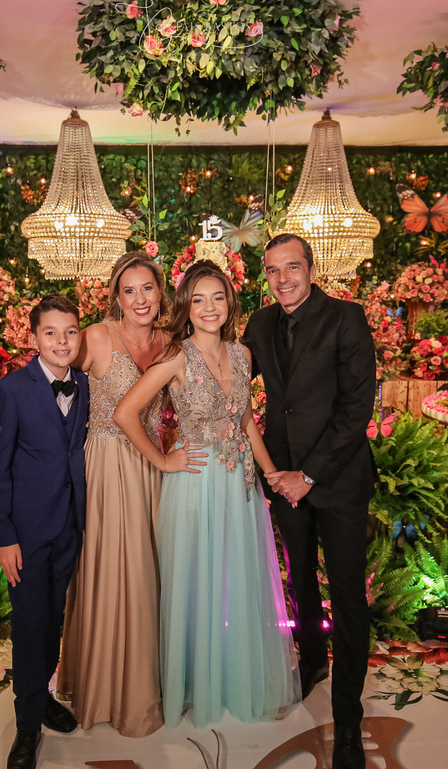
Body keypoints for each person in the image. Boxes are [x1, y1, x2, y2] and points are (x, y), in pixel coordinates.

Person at [114, 260, 301, 728]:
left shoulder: (242, 355)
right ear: (185, 306)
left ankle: (235, 679)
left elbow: (245, 420)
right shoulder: (177, 356)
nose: (209, 307)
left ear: (230, 304)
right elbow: (125, 412)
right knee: (196, 582)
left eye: (217, 297)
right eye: (198, 299)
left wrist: (272, 473)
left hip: (239, 484)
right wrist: (163, 461)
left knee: (237, 581)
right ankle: (195, 684)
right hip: (195, 482)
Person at [242, 234, 377, 769]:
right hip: (283, 480)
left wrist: (310, 475)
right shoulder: (260, 324)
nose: (283, 279)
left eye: (292, 267)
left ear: (312, 269)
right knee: (298, 580)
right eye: (273, 270)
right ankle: (314, 663)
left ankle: (347, 719)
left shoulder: (346, 317)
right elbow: (226, 374)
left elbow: (356, 408)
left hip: (337, 480)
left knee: (346, 596)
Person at [57, 251, 169, 737]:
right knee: (110, 570)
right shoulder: (97, 337)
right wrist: (13, 417)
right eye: (129, 291)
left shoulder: (171, 341)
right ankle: (104, 688)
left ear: (160, 292)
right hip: (105, 466)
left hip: (154, 468)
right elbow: (49, 370)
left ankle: (150, 683)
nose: (140, 299)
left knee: (151, 572)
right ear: (116, 297)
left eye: (147, 288)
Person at [0, 295, 88, 769]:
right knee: (29, 624)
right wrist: (4, 537)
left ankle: (43, 697)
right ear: (33, 339)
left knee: (54, 619)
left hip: (69, 524)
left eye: (70, 331)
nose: (61, 341)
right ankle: (26, 726)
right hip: (25, 532)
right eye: (50, 333)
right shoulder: (11, 389)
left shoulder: (84, 384)